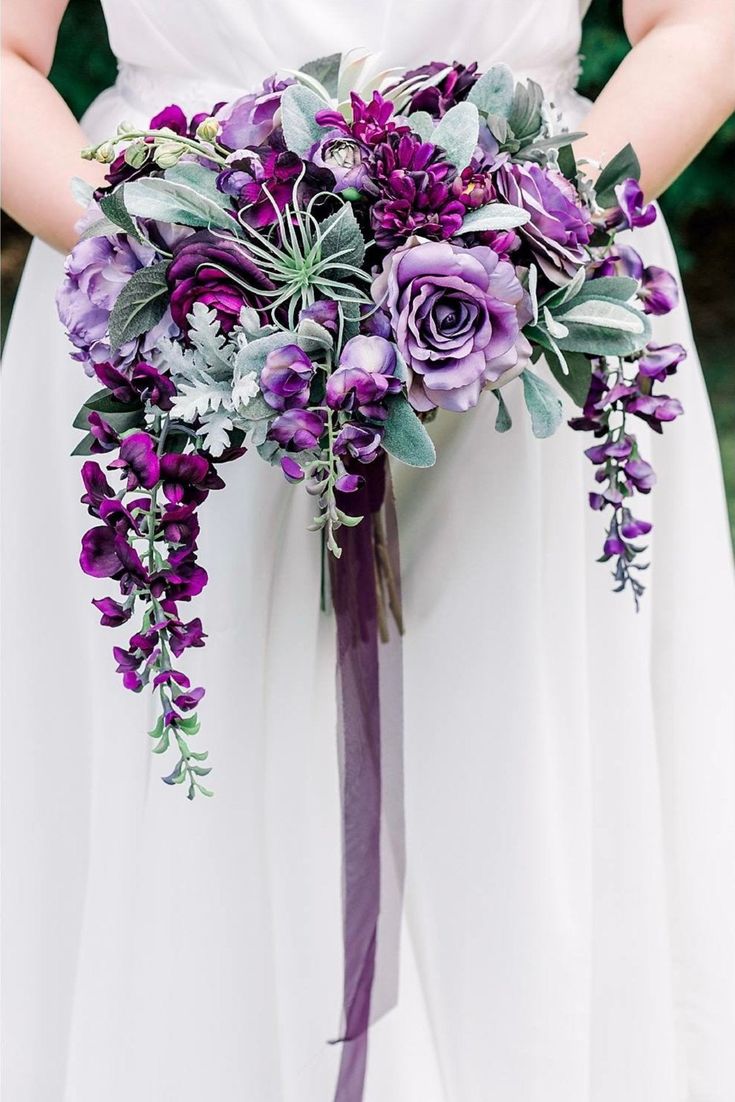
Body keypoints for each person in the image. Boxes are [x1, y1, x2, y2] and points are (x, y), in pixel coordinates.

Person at [2, 2, 734, 1100]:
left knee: (510, 782)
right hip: (172, 314)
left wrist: (528, 239)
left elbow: (699, 22)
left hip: (523, 299)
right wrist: (191, 258)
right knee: (195, 801)